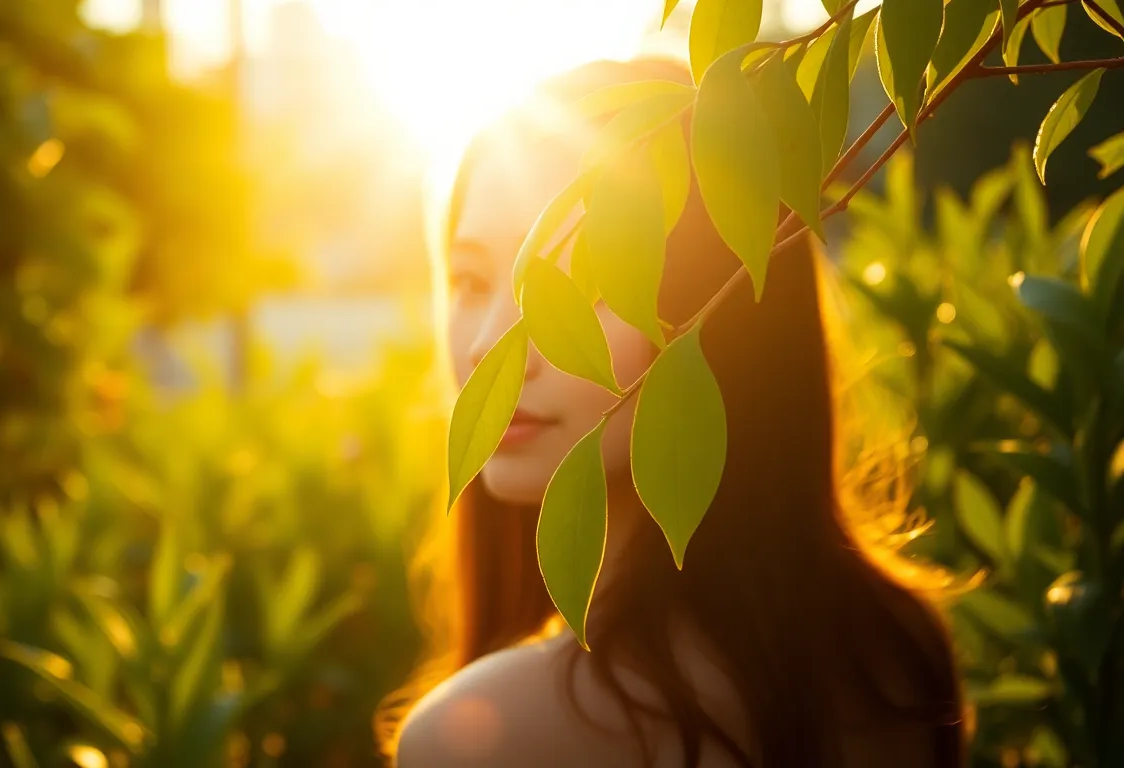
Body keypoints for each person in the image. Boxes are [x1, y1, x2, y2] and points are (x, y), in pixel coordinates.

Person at [378, 58, 966, 767]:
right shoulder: (897, 651)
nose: (488, 348)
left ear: (720, 303)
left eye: (582, 280)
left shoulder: (488, 736)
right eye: (470, 281)